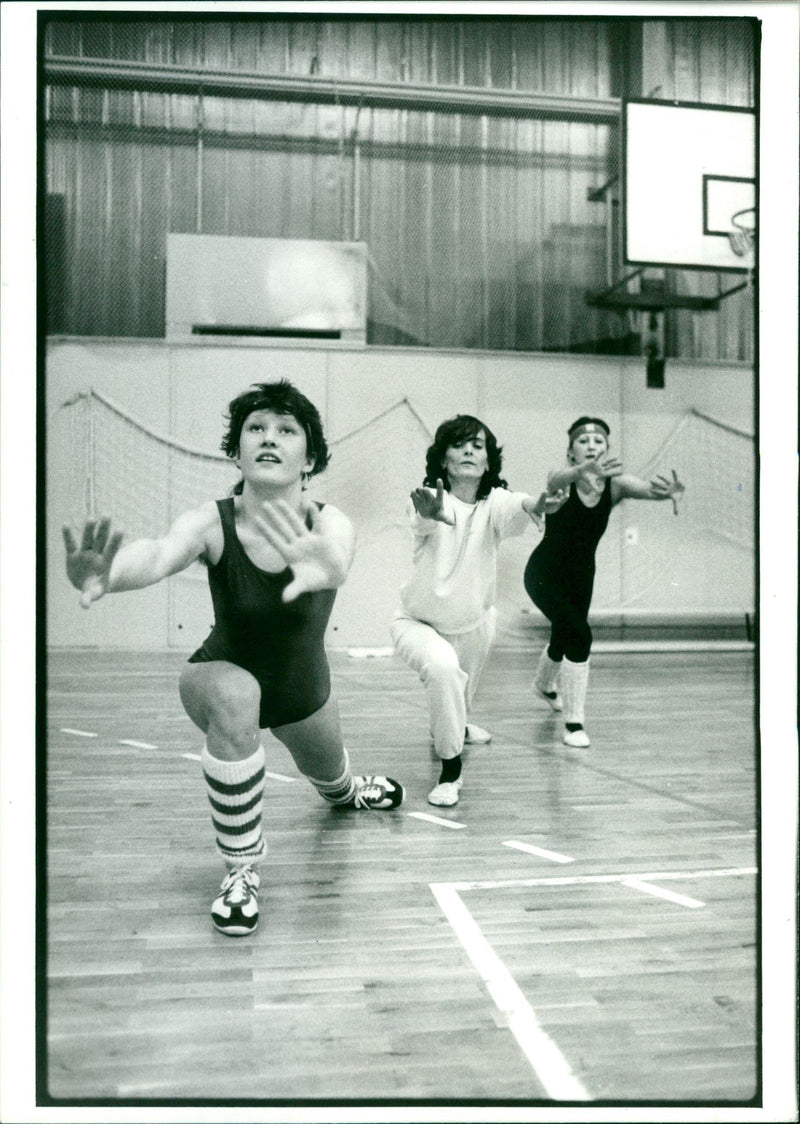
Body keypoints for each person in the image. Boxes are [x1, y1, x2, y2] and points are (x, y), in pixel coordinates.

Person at [63, 380, 404, 938]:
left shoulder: (330, 522)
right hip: (218, 673)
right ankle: (241, 871)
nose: (270, 438)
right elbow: (157, 554)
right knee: (237, 696)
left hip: (301, 688)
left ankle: (348, 790)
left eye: (286, 430)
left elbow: (337, 557)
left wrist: (327, 564)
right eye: (256, 428)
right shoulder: (209, 521)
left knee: (334, 784)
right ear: (237, 449)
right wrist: (110, 572)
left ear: (309, 457)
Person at [390, 414, 559, 808]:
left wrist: (542, 502)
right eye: (459, 444)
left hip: (474, 621)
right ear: (444, 459)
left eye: (478, 445)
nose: (469, 450)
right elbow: (424, 521)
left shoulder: (495, 502)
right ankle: (451, 770)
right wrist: (429, 514)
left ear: (487, 461)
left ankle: (459, 726)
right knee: (444, 668)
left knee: (461, 691)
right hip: (418, 623)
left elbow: (522, 506)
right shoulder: (427, 498)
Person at [524, 415, 685, 749]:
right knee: (580, 634)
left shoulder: (616, 485)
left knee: (564, 635)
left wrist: (667, 493)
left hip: (582, 575)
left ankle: (543, 686)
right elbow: (553, 477)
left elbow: (647, 490)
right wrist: (579, 472)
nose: (592, 446)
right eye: (583, 442)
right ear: (571, 453)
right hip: (544, 574)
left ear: (608, 450)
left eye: (599, 442)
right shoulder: (562, 480)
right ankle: (574, 723)